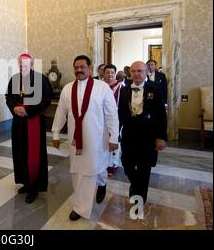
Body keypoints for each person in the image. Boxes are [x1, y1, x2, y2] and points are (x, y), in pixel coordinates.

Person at [52, 55, 119, 221]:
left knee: (95, 168)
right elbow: (61, 112)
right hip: (76, 139)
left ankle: (97, 190)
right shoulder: (67, 88)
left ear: (90, 68)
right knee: (79, 170)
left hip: (97, 138)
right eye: (76, 67)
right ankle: (83, 204)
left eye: (82, 67)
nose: (79, 70)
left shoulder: (102, 87)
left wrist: (114, 137)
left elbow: (112, 114)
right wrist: (55, 132)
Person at [5, 53, 53, 204]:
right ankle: (26, 182)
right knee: (20, 152)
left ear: (32, 65)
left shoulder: (40, 79)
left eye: (25, 66)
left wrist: (28, 110)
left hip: (34, 122)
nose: (22, 68)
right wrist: (14, 108)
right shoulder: (14, 79)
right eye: (20, 66)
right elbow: (9, 97)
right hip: (18, 123)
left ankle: (35, 187)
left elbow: (46, 100)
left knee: (34, 154)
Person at [118, 61, 167, 204]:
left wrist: (161, 137)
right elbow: (121, 113)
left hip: (148, 136)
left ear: (146, 72)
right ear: (129, 73)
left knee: (144, 169)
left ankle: (140, 199)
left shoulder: (155, 89)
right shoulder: (124, 90)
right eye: (133, 71)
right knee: (126, 164)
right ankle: (135, 184)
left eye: (140, 71)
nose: (136, 74)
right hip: (129, 135)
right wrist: (114, 134)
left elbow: (161, 115)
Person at [103, 64, 123, 176]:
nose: (109, 75)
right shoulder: (100, 86)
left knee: (114, 139)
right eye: (107, 72)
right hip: (101, 118)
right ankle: (103, 162)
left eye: (112, 72)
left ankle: (113, 164)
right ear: (104, 74)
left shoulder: (121, 87)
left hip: (116, 118)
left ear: (115, 74)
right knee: (103, 139)